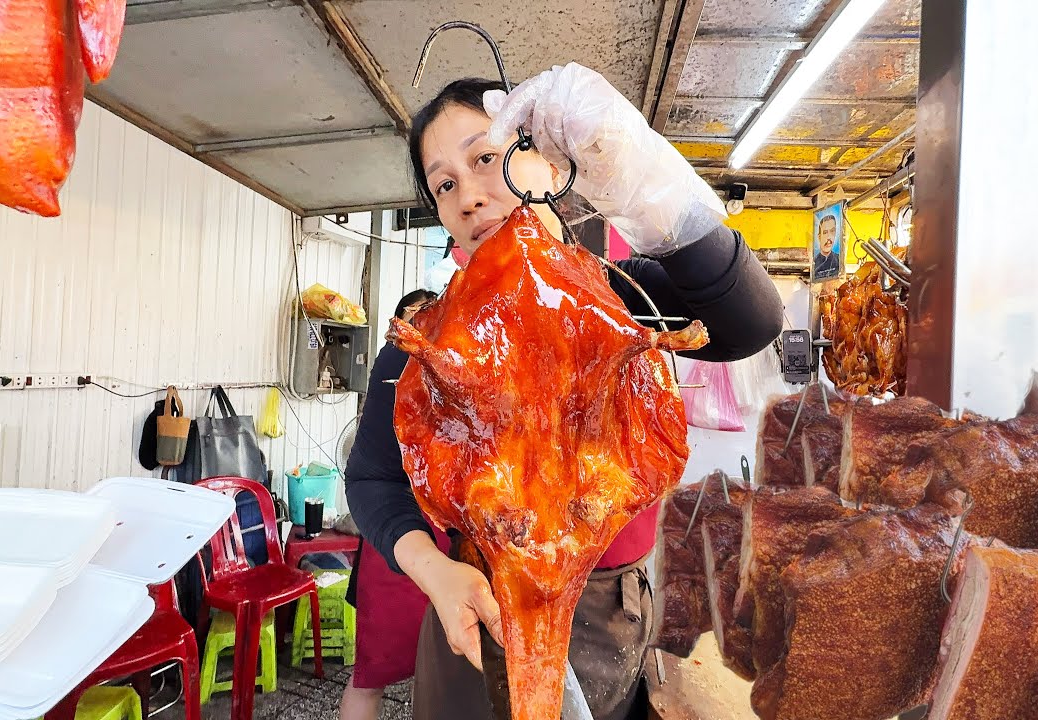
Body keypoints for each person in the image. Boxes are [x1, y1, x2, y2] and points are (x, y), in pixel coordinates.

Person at [345, 63, 783, 720]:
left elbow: (751, 320)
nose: (467, 195)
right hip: (481, 608)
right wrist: (434, 573)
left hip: (616, 612)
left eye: (486, 158)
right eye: (444, 184)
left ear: (549, 164)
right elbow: (373, 479)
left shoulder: (625, 297)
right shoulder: (430, 342)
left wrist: (647, 184)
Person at [339, 289, 443, 720]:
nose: (423, 324)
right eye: (413, 317)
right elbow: (367, 471)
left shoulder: (454, 360)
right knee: (371, 674)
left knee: (440, 673)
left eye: (431, 314)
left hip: (443, 538)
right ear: (396, 325)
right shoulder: (392, 364)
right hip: (396, 537)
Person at [814, 213, 841, 280]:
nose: (829, 237)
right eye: (825, 232)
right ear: (819, 237)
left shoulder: (840, 260)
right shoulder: (813, 263)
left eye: (832, 231)